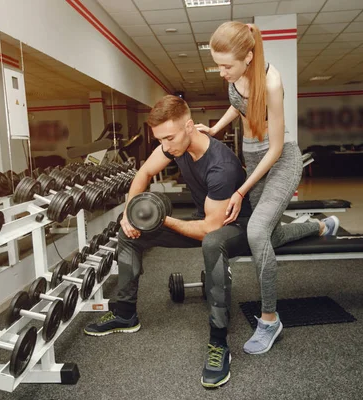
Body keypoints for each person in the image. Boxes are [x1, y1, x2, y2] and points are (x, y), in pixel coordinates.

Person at [84, 95, 252, 388]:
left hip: (236, 228)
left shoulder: (221, 165)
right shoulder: (175, 146)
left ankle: (219, 343)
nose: (165, 146)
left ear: (190, 127)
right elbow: (144, 173)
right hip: (204, 220)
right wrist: (129, 214)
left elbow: (210, 229)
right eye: (160, 140)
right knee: (129, 233)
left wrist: (162, 219)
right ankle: (125, 313)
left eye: (169, 138)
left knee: (213, 243)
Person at [194, 21, 339, 356]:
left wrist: (241, 190)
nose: (221, 72)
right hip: (253, 157)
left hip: (280, 161)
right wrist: (215, 128)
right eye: (218, 65)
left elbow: (274, 150)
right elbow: (239, 103)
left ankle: (270, 320)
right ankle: (319, 225)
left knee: (257, 231)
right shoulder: (237, 75)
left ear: (248, 57)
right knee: (267, 237)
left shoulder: (272, 82)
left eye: (226, 65)